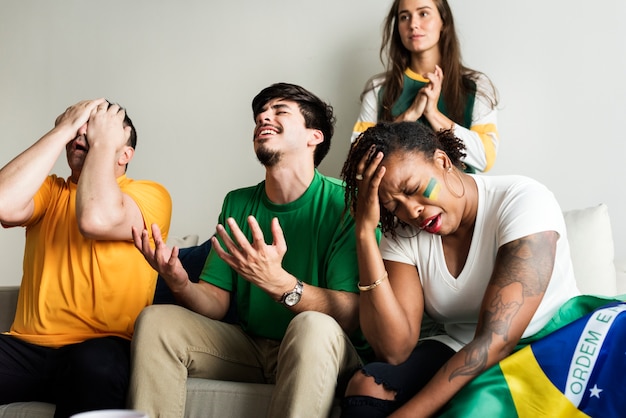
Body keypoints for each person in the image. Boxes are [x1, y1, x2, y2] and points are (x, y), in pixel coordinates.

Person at [129, 82, 372, 418]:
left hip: (321, 346)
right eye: (260, 114)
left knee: (311, 326)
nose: (263, 118)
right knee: (156, 320)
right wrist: (180, 282)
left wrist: (281, 284)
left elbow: (350, 313)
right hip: (251, 346)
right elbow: (216, 302)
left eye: (279, 111)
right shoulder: (238, 202)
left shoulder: (346, 202)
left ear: (313, 136)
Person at [338, 121, 583, 417]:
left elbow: (494, 342)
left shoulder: (523, 200)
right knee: (368, 388)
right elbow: (394, 350)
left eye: (413, 189)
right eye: (394, 206)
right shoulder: (403, 233)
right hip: (458, 346)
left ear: (442, 161)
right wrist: (365, 233)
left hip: (548, 340)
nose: (411, 211)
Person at [0, 99, 172, 418]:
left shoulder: (149, 195)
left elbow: (96, 219)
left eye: (98, 129)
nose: (85, 134)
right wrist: (63, 129)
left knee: (94, 365)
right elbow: (3, 205)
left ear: (125, 155)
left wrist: (101, 143)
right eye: (81, 128)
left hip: (104, 346)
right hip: (29, 347)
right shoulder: (50, 191)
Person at [351, 0, 499, 173]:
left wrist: (433, 114)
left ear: (443, 21)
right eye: (404, 17)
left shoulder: (476, 85)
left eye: (423, 14)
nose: (413, 24)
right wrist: (410, 115)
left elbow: (486, 159)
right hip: (392, 199)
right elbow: (357, 159)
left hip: (458, 199)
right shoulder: (378, 88)